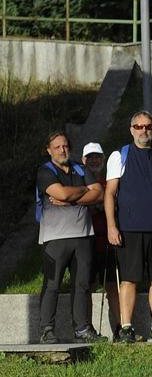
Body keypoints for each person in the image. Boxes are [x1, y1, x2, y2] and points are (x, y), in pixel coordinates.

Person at [105, 111, 152, 344]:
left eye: (147, 126)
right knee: (129, 279)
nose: (143, 130)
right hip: (130, 230)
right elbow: (110, 193)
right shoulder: (120, 155)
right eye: (138, 126)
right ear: (131, 129)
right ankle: (126, 327)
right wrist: (111, 225)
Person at [36, 130, 102, 344]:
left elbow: (98, 193)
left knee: (81, 284)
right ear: (49, 150)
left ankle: (82, 329)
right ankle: (47, 329)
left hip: (83, 235)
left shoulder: (79, 168)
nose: (62, 150)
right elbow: (60, 193)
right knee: (52, 284)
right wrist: (84, 190)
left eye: (65, 146)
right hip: (55, 237)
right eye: (57, 147)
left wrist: (73, 196)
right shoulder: (45, 171)